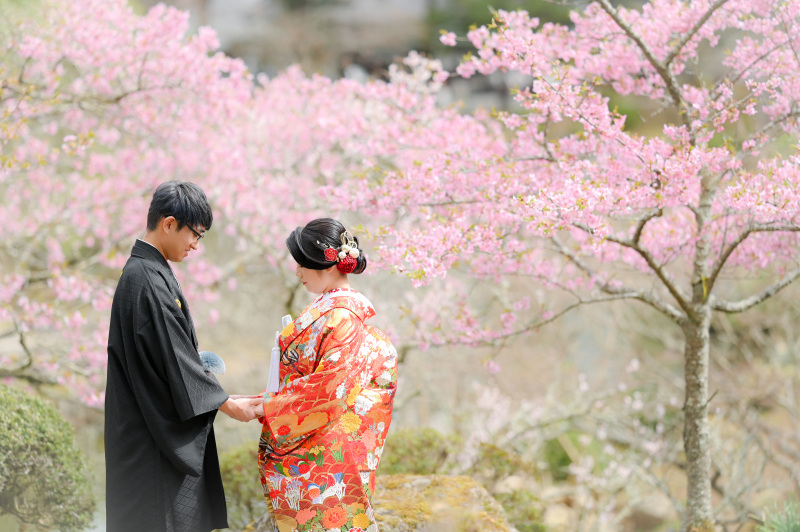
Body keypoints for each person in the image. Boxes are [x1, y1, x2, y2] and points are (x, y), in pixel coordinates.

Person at [104, 180, 261, 532]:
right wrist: (227, 404)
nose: (195, 245)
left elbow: (173, 357)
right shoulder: (144, 278)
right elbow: (174, 357)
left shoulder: (147, 273)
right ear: (169, 223)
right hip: (151, 443)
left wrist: (222, 396)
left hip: (148, 427)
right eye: (195, 234)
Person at [256, 218, 399, 532]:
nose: (298, 272)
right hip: (318, 438)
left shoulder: (343, 316)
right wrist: (267, 401)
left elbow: (329, 390)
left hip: (327, 448)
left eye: (302, 264)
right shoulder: (332, 311)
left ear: (328, 264)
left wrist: (267, 407)